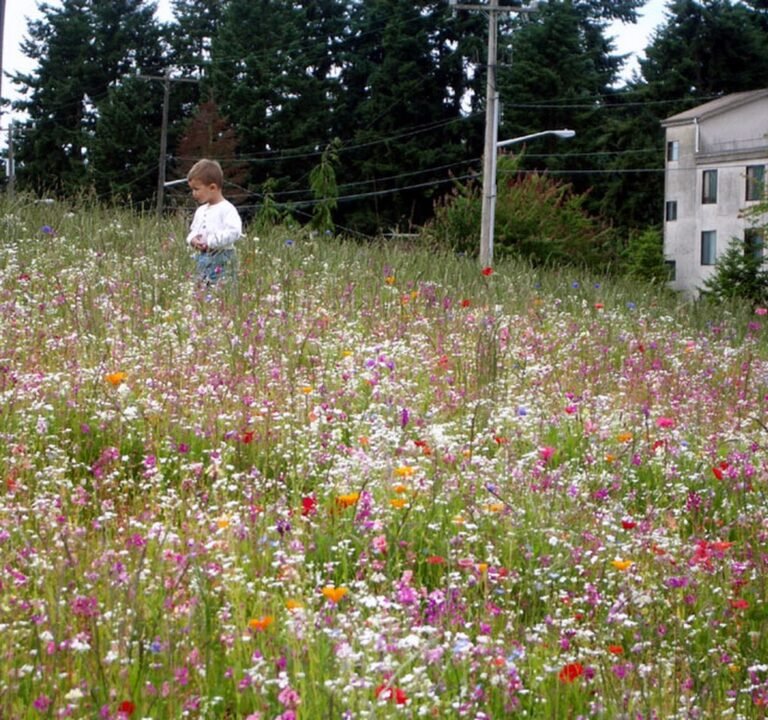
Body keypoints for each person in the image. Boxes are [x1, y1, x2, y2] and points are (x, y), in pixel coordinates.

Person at [186, 159, 242, 286]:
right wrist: (193, 240)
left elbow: (234, 232)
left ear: (212, 187)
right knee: (201, 290)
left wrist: (211, 242)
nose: (194, 194)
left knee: (221, 290)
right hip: (202, 257)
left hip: (222, 258)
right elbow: (193, 230)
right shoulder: (200, 211)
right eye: (192, 190)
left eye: (196, 189)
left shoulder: (227, 209)